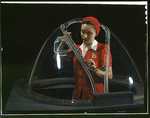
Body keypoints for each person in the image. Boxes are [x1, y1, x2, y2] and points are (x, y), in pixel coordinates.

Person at [58, 16, 113, 99]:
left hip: (95, 96)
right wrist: (63, 42)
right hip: (78, 95)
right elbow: (57, 57)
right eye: (82, 32)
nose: (85, 36)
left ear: (96, 33)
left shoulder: (102, 49)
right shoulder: (76, 49)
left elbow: (109, 76)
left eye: (89, 33)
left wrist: (96, 71)